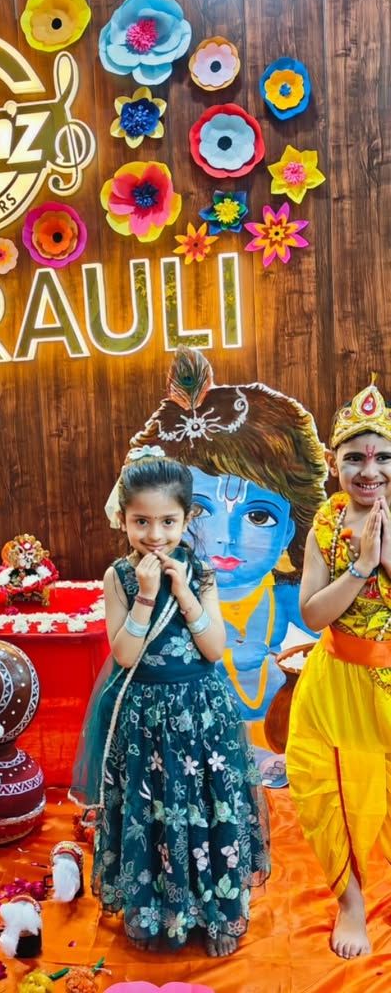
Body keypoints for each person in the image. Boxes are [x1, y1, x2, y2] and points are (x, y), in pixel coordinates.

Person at [71, 450, 269, 956]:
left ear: (186, 518)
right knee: (153, 810)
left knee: (205, 807)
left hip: (202, 714)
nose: (155, 535)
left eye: (167, 521)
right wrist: (145, 594)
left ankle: (216, 911)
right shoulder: (118, 577)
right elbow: (124, 653)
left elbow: (214, 648)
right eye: (141, 521)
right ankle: (157, 911)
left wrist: (184, 592)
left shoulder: (200, 571)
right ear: (124, 520)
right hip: (145, 717)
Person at [129, 348, 328, 722]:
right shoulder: (166, 591)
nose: (226, 537)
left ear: (291, 528)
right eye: (199, 511)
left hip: (280, 730)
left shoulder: (287, 597)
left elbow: (337, 640)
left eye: (258, 516)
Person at [288, 380, 391, 960]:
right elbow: (311, 613)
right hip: (335, 686)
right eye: (355, 458)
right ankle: (351, 903)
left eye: (382, 458)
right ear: (334, 463)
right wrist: (360, 567)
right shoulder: (326, 525)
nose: (369, 471)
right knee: (327, 790)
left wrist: (385, 556)